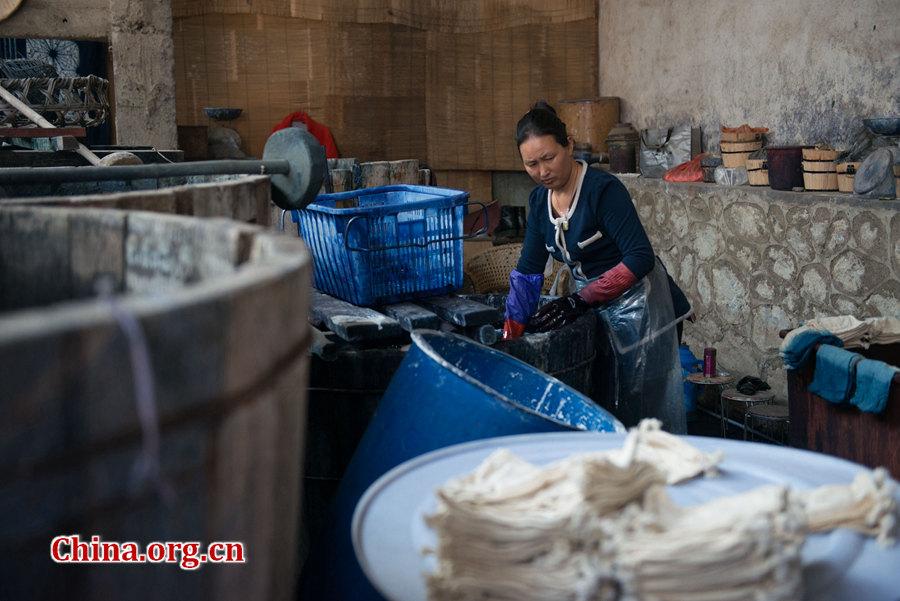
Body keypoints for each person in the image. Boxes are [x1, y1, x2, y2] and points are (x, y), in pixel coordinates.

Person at [503, 101, 692, 432]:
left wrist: (580, 299)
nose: (542, 171)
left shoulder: (601, 190)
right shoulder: (538, 202)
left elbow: (639, 256)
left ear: (569, 145)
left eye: (549, 158)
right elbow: (529, 270)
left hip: (644, 307)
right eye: (531, 164)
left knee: (643, 410)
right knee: (607, 398)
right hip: (597, 307)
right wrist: (511, 333)